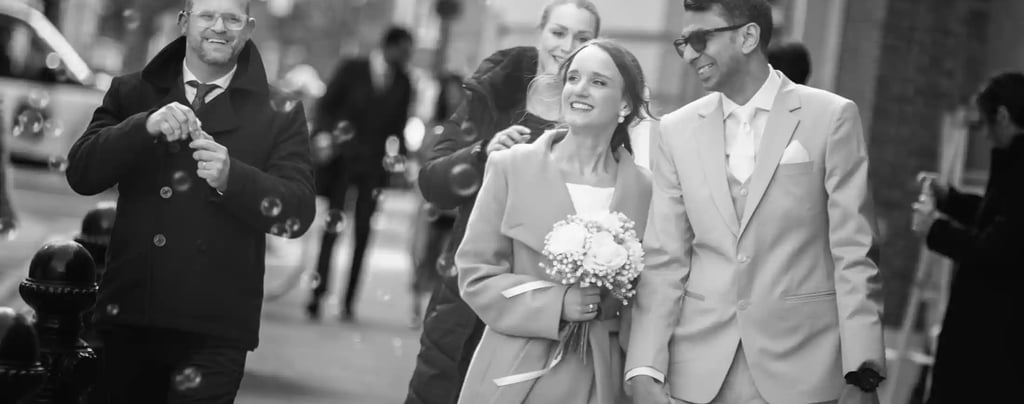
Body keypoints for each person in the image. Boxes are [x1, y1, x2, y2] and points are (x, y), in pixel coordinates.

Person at [625, 1, 885, 403]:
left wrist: (862, 371)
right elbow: (665, 258)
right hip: (697, 374)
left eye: (700, 39)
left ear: (748, 36)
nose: (690, 54)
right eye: (683, 43)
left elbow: (854, 252)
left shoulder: (832, 117)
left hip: (805, 370)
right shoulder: (676, 130)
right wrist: (643, 366)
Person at [64, 0, 316, 401]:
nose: (220, 27)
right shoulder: (133, 91)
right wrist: (144, 126)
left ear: (249, 28)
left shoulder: (280, 111)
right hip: (130, 316)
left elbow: (299, 210)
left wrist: (233, 178)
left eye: (232, 19)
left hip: (216, 332)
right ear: (184, 22)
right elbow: (81, 173)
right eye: (207, 15)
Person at [405, 1, 600, 403]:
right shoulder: (494, 95)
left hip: (543, 311)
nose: (567, 46)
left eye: (582, 38)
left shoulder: (602, 117)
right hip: (466, 298)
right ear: (540, 32)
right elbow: (433, 182)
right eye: (558, 32)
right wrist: (482, 153)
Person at [456, 38, 652, 404]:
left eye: (598, 81)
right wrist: (555, 303)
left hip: (602, 378)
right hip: (515, 375)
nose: (580, 89)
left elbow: (653, 296)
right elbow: (475, 275)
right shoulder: (511, 167)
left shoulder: (648, 190)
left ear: (625, 104)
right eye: (573, 78)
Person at [912, 72, 1024, 403]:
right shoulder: (1013, 164)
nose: (985, 136)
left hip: (995, 335)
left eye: (986, 125)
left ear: (1002, 116)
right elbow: (996, 217)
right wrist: (949, 199)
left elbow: (997, 247)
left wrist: (935, 229)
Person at [305, 26, 415, 321]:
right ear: (389, 47)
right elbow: (325, 106)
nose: (407, 58)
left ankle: (348, 301)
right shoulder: (352, 68)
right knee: (332, 229)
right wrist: (324, 137)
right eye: (404, 51)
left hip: (373, 169)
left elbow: (399, 127)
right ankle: (317, 295)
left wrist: (403, 161)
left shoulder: (404, 82)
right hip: (342, 163)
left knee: (364, 234)